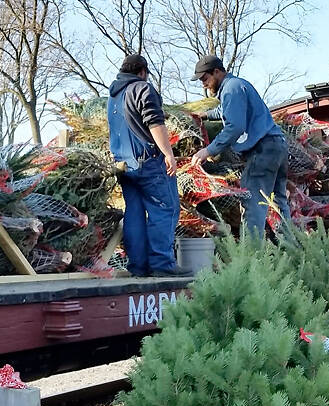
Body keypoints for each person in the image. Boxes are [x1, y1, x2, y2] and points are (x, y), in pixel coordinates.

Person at [107, 54, 191, 277]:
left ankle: (138, 267)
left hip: (123, 165)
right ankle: (162, 265)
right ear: (142, 72)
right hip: (147, 162)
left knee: (134, 213)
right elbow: (155, 123)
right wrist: (168, 153)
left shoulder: (113, 96)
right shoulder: (142, 89)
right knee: (165, 209)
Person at [189, 55, 290, 237]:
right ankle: (292, 250)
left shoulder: (231, 89)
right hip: (277, 146)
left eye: (205, 79)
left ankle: (251, 257)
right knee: (278, 203)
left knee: (252, 203)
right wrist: (206, 115)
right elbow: (226, 110)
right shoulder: (237, 85)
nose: (203, 84)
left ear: (217, 72)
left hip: (262, 150)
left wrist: (208, 150)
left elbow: (235, 127)